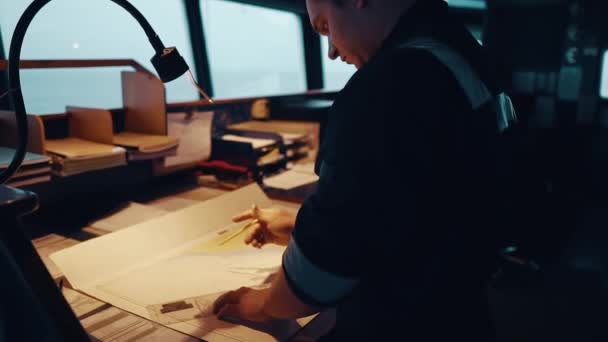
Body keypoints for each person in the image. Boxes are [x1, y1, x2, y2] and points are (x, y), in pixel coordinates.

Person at [213, 0, 510, 340]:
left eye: (325, 27)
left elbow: (322, 273)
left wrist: (262, 304)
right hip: (460, 310)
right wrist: (299, 224)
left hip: (405, 323)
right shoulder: (463, 55)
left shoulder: (391, 83)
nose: (331, 52)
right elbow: (422, 203)